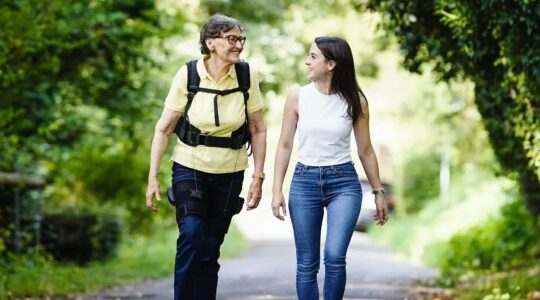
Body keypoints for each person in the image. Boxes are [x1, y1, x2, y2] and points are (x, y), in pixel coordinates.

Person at [145, 13, 267, 300]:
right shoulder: (188, 74)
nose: (239, 45)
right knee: (190, 234)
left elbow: (258, 128)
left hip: (231, 170)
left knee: (210, 248)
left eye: (241, 39)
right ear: (211, 42)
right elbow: (164, 128)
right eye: (232, 39)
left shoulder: (246, 75)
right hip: (190, 166)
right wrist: (152, 178)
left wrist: (258, 176)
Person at [271, 37, 389, 300]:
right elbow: (285, 145)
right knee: (307, 263)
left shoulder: (356, 100)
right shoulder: (297, 97)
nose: (307, 61)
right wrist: (276, 189)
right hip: (304, 182)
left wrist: (378, 191)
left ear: (331, 64)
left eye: (313, 57)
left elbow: (365, 150)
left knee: (335, 257)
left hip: (343, 183)